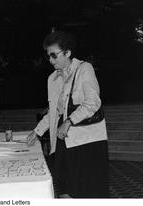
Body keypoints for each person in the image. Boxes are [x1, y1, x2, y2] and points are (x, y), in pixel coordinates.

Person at [27, 31, 109, 198]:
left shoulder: (84, 69)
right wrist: (37, 131)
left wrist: (70, 121)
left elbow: (93, 102)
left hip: (87, 142)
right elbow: (54, 112)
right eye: (48, 56)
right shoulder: (52, 78)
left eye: (54, 55)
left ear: (67, 53)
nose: (50, 60)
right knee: (63, 189)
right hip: (63, 141)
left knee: (86, 193)